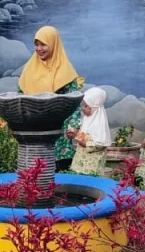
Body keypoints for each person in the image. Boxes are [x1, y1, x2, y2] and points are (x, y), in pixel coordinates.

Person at [17, 26, 82, 166]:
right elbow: (20, 96)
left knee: (57, 174)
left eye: (43, 44)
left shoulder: (65, 70)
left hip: (59, 132)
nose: (39, 48)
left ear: (53, 44)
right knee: (32, 172)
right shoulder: (29, 68)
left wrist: (74, 126)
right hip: (33, 130)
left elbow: (74, 101)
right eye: (36, 44)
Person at [69, 88, 111, 176]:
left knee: (90, 184)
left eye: (85, 106)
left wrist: (86, 144)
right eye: (82, 105)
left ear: (94, 107)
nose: (82, 108)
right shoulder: (86, 119)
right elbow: (84, 136)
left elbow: (102, 143)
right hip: (80, 161)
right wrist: (75, 135)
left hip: (92, 164)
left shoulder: (100, 122)